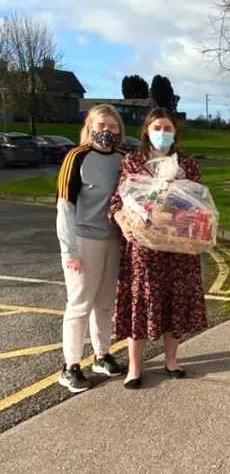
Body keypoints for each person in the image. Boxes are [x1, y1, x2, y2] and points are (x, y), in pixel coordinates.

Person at [108, 107, 207, 389]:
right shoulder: (133, 161)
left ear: (175, 132)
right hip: (144, 248)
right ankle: (135, 368)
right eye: (157, 128)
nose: (162, 134)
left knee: (174, 300)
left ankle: (171, 361)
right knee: (141, 302)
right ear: (146, 131)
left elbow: (199, 202)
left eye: (167, 129)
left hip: (177, 245)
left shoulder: (186, 162)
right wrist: (122, 221)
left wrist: (180, 209)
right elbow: (118, 200)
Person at [56, 104, 126, 393]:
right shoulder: (77, 157)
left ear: (120, 130)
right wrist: (69, 251)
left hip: (114, 239)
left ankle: (102, 355)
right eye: (100, 125)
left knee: (106, 303)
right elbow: (64, 206)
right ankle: (70, 366)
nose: (106, 131)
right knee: (80, 303)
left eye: (112, 126)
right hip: (84, 240)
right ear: (89, 127)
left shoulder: (124, 159)